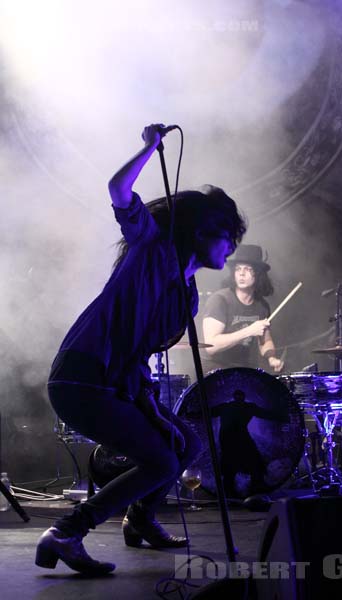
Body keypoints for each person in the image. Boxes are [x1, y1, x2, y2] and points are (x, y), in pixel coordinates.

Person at [35, 123, 246, 575]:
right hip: (83, 377)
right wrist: (149, 147)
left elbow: (142, 355)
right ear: (206, 232)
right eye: (229, 238)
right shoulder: (150, 247)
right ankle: (67, 532)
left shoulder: (187, 296)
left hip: (119, 384)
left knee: (184, 442)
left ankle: (141, 518)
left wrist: (149, 405)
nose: (231, 252)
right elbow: (118, 188)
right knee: (161, 458)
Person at [202, 244, 284, 373]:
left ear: (258, 274)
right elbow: (211, 345)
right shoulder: (220, 300)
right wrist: (249, 331)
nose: (241, 273)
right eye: (238, 269)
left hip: (244, 370)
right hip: (216, 373)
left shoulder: (262, 306)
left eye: (247, 269)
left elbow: (265, 340)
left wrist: (272, 358)